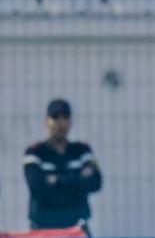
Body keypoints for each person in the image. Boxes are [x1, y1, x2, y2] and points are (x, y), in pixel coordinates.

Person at [23, 98, 102, 231]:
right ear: (47, 121)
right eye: (55, 117)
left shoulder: (82, 151)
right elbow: (38, 189)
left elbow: (96, 183)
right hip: (43, 228)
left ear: (70, 121)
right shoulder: (35, 152)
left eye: (65, 117)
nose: (61, 123)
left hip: (76, 227)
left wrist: (56, 180)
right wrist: (77, 182)